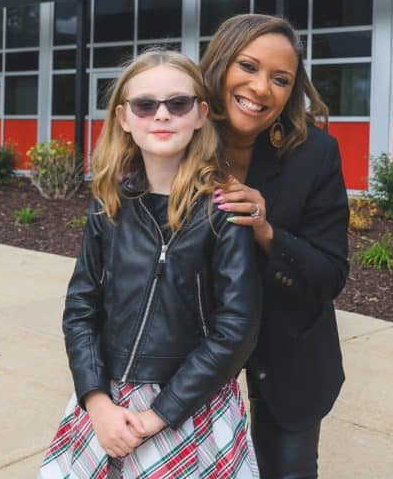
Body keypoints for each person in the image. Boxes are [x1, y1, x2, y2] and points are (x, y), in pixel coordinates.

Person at [38, 49, 262, 478]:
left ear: (199, 114)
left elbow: (236, 328)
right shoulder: (108, 205)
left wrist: (158, 415)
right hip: (110, 403)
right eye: (145, 104)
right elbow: (81, 309)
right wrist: (97, 401)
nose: (161, 115)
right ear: (124, 117)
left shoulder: (222, 208)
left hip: (189, 404)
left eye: (177, 104)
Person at [199, 14, 350, 479]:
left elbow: (329, 274)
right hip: (193, 350)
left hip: (291, 355)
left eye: (280, 79)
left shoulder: (316, 154)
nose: (261, 88)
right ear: (220, 66)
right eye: (248, 66)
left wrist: (266, 232)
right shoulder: (181, 140)